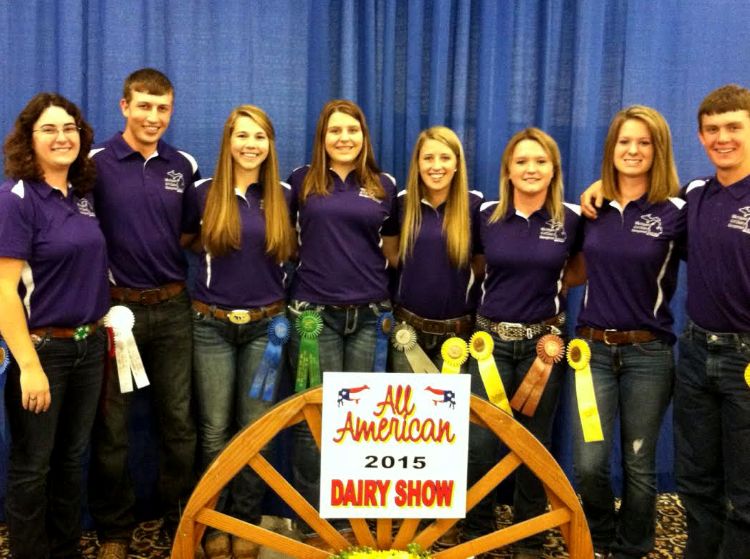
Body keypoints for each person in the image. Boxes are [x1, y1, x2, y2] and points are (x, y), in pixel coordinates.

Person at [579, 85, 750, 558]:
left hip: (690, 356)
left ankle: (642, 547)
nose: (723, 138)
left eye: (734, 127)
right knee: (681, 476)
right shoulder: (687, 196)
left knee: (729, 483)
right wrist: (597, 187)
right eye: (713, 129)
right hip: (646, 351)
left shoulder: (680, 206)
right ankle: (613, 541)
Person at [87, 68, 199, 559]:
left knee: (179, 423)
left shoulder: (184, 165)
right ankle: (114, 528)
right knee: (112, 428)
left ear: (171, 111)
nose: (153, 117)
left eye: (162, 108)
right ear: (124, 107)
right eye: (144, 106)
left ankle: (180, 515)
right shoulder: (94, 164)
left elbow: (188, 235)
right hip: (115, 314)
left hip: (174, 309)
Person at [570, 106, 685, 559]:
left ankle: (632, 547)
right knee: (589, 463)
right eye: (624, 142)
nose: (633, 150)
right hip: (592, 352)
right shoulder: (591, 209)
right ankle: (597, 540)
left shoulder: (678, 211)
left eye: (644, 142)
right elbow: (574, 270)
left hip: (648, 355)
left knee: (638, 463)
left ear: (659, 150)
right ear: (611, 149)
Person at [182, 105, 295, 559]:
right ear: (228, 142)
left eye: (260, 137)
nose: (251, 144)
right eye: (242, 136)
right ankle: (214, 519)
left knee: (254, 430)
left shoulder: (286, 195)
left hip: (267, 329)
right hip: (211, 326)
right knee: (213, 430)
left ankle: (245, 521)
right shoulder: (203, 193)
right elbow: (185, 241)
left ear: (270, 145)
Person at [0, 93, 109, 558]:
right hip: (43, 352)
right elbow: (4, 290)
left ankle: (65, 550)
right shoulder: (16, 199)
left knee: (70, 461)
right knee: (33, 467)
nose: (62, 137)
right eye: (49, 129)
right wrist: (28, 364)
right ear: (29, 139)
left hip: (89, 349)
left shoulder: (82, 196)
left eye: (70, 128)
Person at [466, 128, 581, 559]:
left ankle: (529, 535)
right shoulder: (487, 215)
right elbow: (480, 265)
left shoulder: (571, 218)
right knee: (479, 443)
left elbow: (578, 270)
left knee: (534, 444)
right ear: (508, 171)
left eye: (540, 161)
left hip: (544, 347)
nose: (531, 169)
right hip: (488, 344)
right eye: (521, 162)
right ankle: (476, 528)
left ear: (553, 169)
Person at [285, 99, 398, 530]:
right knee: (315, 417)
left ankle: (356, 518)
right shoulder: (300, 181)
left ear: (364, 136)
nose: (344, 138)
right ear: (323, 138)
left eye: (352, 130)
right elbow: (287, 240)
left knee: (363, 420)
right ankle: (314, 519)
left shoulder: (384, 185)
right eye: (335, 131)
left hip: (371, 318)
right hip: (314, 316)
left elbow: (390, 249)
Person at [391, 125, 483, 372]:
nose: (436, 166)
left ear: (457, 164)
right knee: (404, 409)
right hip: (407, 332)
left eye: (445, 157)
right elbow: (391, 255)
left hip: (456, 336)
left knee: (448, 410)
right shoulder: (401, 203)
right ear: (418, 163)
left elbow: (481, 262)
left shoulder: (476, 206)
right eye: (428, 158)